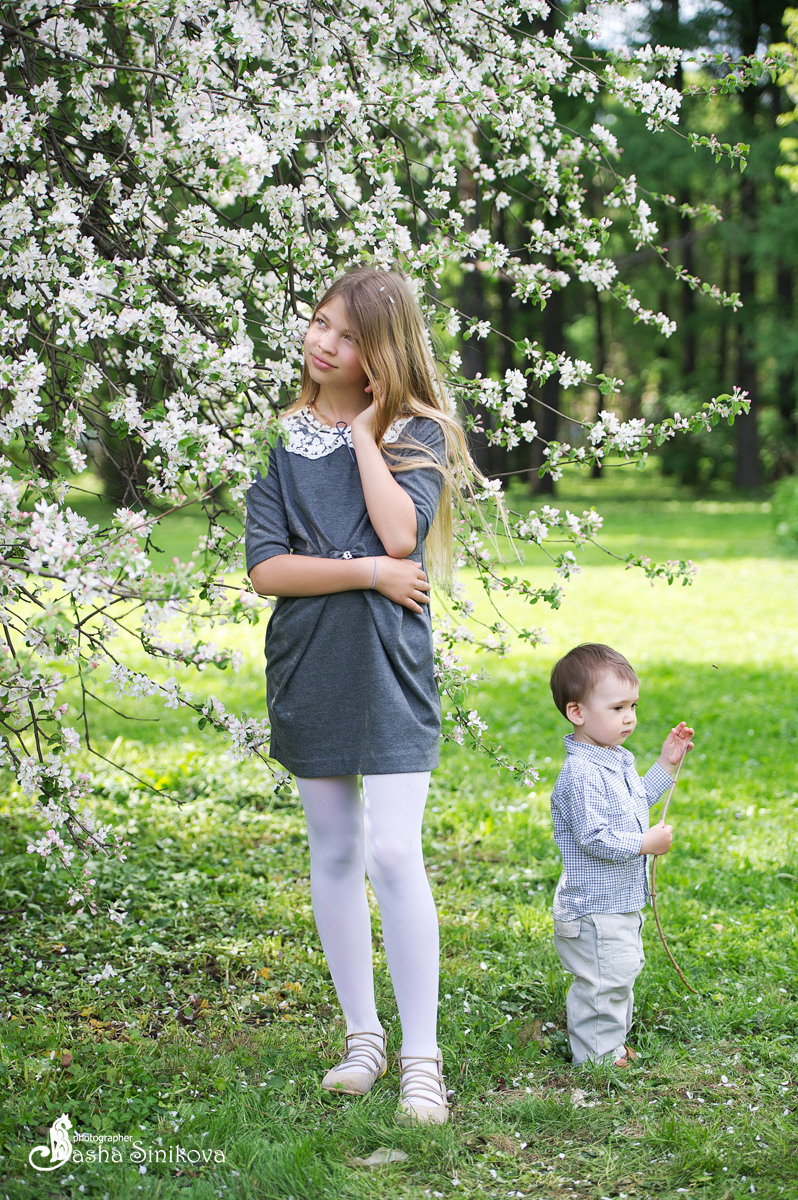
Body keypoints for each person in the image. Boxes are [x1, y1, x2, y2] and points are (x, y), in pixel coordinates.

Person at [245, 266, 476, 1125]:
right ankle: (362, 1037)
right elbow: (268, 569)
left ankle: (422, 1057)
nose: (324, 343)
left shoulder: (417, 433)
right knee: (336, 849)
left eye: (347, 336)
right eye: (319, 323)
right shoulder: (278, 439)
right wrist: (369, 574)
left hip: (387, 666)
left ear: (382, 352)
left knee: (393, 851)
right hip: (309, 661)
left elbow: (402, 533)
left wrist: (365, 438)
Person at [548, 643, 694, 1067]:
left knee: (620, 972)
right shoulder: (581, 774)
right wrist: (644, 844)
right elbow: (595, 837)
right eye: (617, 708)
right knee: (603, 981)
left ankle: (608, 1043)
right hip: (595, 909)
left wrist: (666, 764)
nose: (629, 717)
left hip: (617, 902)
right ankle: (597, 1057)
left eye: (633, 706)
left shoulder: (613, 760)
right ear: (577, 712)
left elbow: (635, 804)